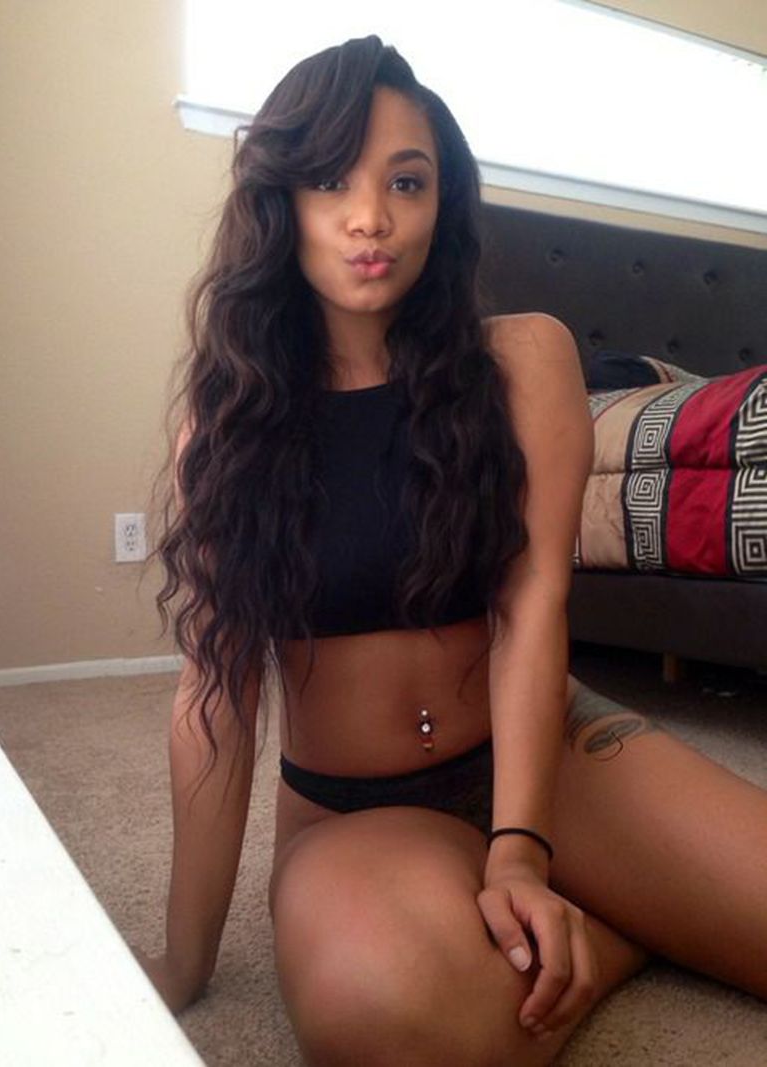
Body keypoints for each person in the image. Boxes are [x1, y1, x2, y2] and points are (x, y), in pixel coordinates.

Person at [138, 35, 767, 1066]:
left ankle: (586, 895)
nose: (369, 217)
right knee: (391, 1014)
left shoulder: (523, 358)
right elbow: (216, 690)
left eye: (405, 181)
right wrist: (182, 956)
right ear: (281, 201)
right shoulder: (229, 425)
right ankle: (628, 932)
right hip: (354, 812)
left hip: (544, 751)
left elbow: (531, 607)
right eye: (330, 180)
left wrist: (518, 849)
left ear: (443, 201)